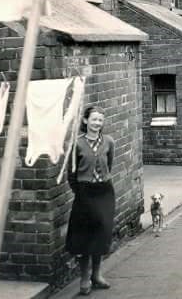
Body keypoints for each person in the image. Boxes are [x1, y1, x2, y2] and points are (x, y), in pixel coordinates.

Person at [66, 106, 115, 295]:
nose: (97, 123)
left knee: (101, 233)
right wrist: (80, 191)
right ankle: (85, 278)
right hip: (85, 193)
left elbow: (109, 165)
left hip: (104, 192)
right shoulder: (77, 144)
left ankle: (97, 275)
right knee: (85, 236)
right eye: (94, 119)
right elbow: (72, 173)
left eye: (100, 120)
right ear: (86, 121)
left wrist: (101, 181)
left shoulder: (109, 142)